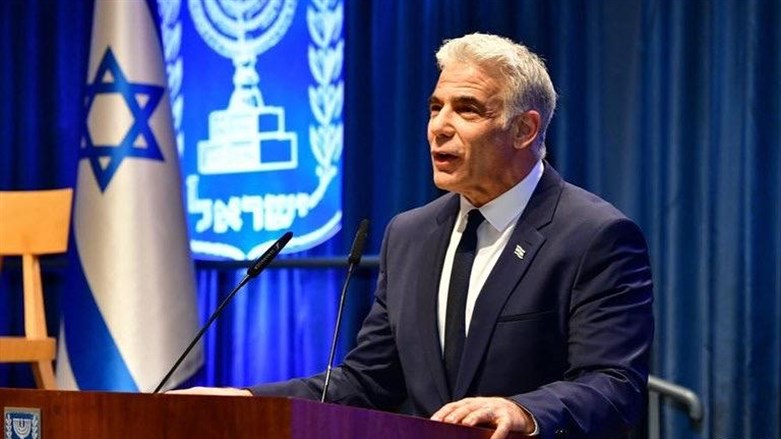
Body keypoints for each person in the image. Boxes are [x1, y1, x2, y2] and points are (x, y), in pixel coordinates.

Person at [173, 33, 654, 439]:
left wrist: (524, 412)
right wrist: (249, 399)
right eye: (435, 107)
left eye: (467, 110)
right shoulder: (410, 234)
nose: (439, 126)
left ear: (524, 129)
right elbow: (368, 381)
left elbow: (614, 384)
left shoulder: (594, 236)